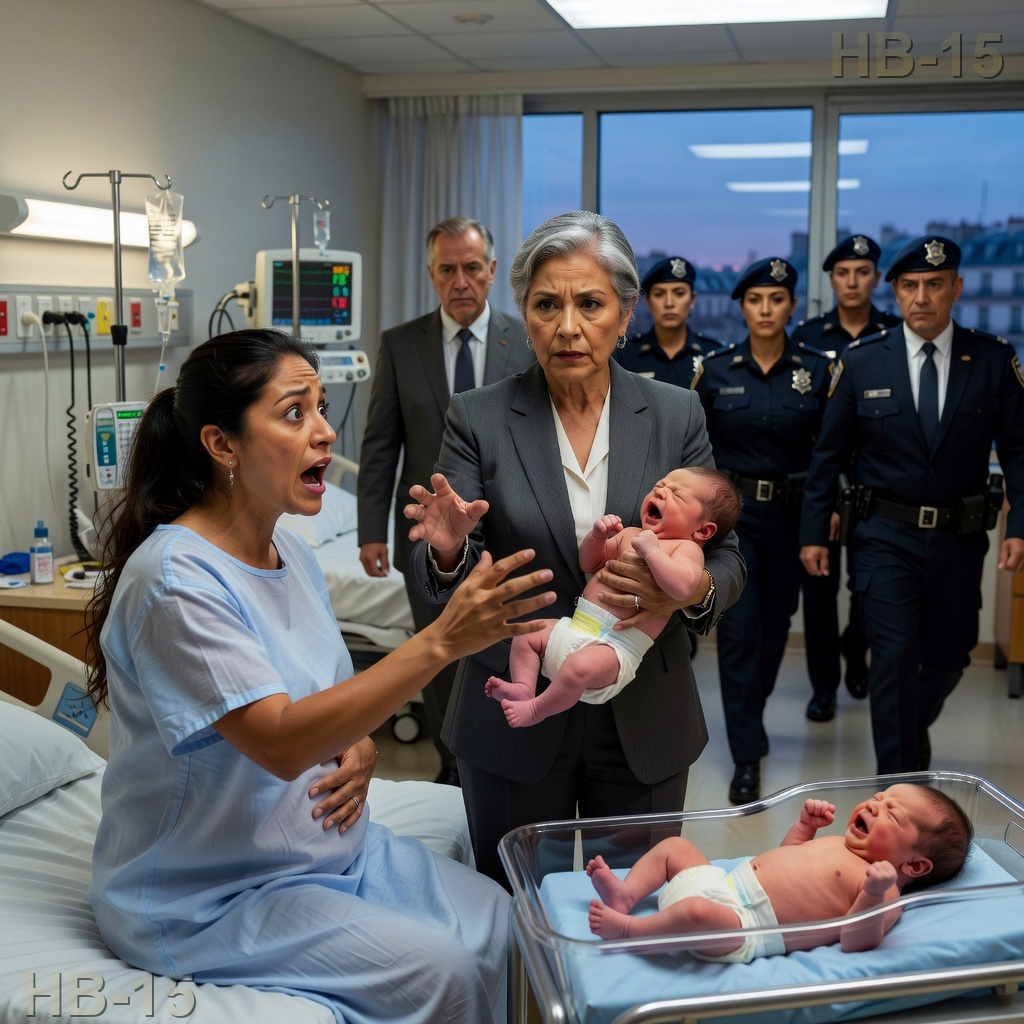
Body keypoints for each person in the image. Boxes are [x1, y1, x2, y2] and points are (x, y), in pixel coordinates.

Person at [84, 329, 556, 1024]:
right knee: (447, 973)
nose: (325, 433)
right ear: (223, 445)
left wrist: (361, 745)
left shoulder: (293, 559)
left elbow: (327, 701)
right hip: (209, 893)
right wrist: (442, 641)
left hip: (329, 850)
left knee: (509, 924)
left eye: (323, 408)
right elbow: (277, 742)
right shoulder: (176, 581)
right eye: (295, 413)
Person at [405, 211, 747, 885]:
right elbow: (442, 564)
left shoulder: (676, 413)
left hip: (645, 712)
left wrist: (693, 589)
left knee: (633, 910)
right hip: (513, 708)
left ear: (625, 316)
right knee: (512, 910)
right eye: (546, 305)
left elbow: (728, 556)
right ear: (523, 314)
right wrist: (446, 553)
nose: (567, 326)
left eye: (589, 304)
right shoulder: (479, 416)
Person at [800, 235, 1024, 774]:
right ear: (895, 292)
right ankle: (897, 786)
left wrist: (1020, 525)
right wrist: (813, 532)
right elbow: (826, 456)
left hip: (958, 536)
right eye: (909, 286)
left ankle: (906, 730)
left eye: (933, 285)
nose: (921, 297)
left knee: (953, 653)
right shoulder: (860, 364)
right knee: (894, 661)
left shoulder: (991, 360)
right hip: (883, 535)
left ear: (956, 289)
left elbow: (1018, 451)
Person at [357, 216, 534, 786]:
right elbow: (380, 444)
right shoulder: (401, 345)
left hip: (504, 525)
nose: (461, 280)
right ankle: (452, 761)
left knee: (504, 648)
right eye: (448, 269)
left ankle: (503, 753)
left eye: (472, 268)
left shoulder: (523, 339)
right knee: (436, 649)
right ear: (432, 275)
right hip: (424, 533)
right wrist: (369, 531)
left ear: (491, 272)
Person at [692, 257, 832, 806]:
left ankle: (751, 708)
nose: (767, 309)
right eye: (756, 300)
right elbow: (697, 450)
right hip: (736, 521)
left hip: (795, 519)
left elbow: (829, 451)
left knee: (776, 627)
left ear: (792, 307)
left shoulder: (819, 371)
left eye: (777, 300)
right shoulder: (717, 371)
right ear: (743, 307)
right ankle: (746, 755)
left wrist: (823, 518)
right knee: (739, 628)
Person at [587, 783, 972, 960]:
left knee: (697, 914)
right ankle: (626, 893)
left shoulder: (884, 891)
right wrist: (805, 828)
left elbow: (856, 941)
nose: (874, 804)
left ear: (914, 865)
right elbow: (787, 858)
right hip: (722, 883)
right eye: (878, 796)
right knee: (676, 848)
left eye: (891, 813)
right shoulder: (840, 843)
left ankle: (632, 933)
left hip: (742, 927)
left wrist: (873, 892)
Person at [486, 467, 740, 728]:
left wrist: (653, 554)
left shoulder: (686, 549)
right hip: (576, 626)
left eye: (676, 494)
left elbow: (683, 589)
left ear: (703, 531)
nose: (660, 492)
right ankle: (523, 687)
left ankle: (537, 709)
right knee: (527, 635)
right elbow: (589, 562)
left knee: (579, 668)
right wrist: (597, 537)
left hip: (615, 646)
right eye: (659, 485)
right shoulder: (630, 534)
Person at [792, 235, 902, 721]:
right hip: (820, 481)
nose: (853, 281)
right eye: (843, 272)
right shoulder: (809, 338)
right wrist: (826, 501)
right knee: (817, 592)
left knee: (868, 590)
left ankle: (856, 650)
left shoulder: (897, 335)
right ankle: (824, 687)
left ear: (876, 278)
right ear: (831, 280)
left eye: (862, 271)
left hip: (877, 486)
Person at [616, 256, 724, 386]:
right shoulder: (625, 356)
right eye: (659, 294)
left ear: (692, 300)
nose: (669, 303)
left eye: (679, 293)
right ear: (648, 301)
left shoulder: (714, 356)